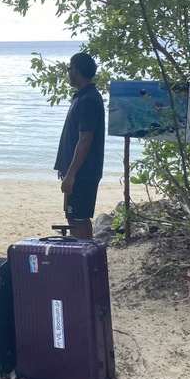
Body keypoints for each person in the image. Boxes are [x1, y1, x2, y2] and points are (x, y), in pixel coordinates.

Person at [54, 52, 105, 239]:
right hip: (77, 171)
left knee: (79, 219)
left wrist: (71, 174)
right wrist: (64, 166)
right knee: (74, 217)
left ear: (75, 70)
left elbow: (85, 140)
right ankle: (80, 251)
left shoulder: (88, 100)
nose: (68, 73)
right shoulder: (82, 97)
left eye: (69, 69)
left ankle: (84, 253)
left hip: (83, 172)